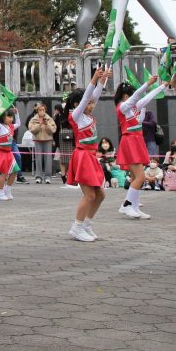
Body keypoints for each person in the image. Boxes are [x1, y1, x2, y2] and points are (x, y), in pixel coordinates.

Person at [64, 67, 108, 242]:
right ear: (77, 104)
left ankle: (86, 225)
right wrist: (93, 80)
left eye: (92, 103)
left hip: (91, 157)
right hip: (82, 156)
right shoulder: (76, 116)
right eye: (88, 103)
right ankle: (76, 228)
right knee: (89, 195)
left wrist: (102, 80)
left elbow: (94, 96)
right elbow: (86, 98)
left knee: (100, 195)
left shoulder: (88, 115)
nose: (91, 105)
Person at [114, 75, 166, 219]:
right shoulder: (122, 107)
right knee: (141, 177)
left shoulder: (133, 108)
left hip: (136, 141)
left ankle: (135, 207)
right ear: (126, 96)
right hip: (130, 141)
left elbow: (147, 97)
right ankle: (126, 205)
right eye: (131, 96)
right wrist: (148, 83)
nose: (135, 99)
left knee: (135, 177)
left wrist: (163, 86)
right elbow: (137, 95)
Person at [0, 108, 20, 201]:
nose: (11, 119)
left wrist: (17, 114)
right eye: (9, 117)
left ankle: (7, 190)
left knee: (15, 171)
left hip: (8, 153)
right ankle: (0, 192)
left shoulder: (11, 127)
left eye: (12, 117)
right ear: (2, 117)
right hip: (1, 153)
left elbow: (19, 124)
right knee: (4, 173)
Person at [28, 101, 57, 184]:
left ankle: (48, 176)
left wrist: (46, 124)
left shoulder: (49, 119)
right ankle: (38, 176)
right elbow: (32, 130)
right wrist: (39, 124)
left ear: (45, 110)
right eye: (40, 110)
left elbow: (53, 130)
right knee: (38, 158)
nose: (42, 111)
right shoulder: (33, 119)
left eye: (43, 110)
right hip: (37, 140)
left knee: (48, 159)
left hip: (48, 140)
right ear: (37, 111)